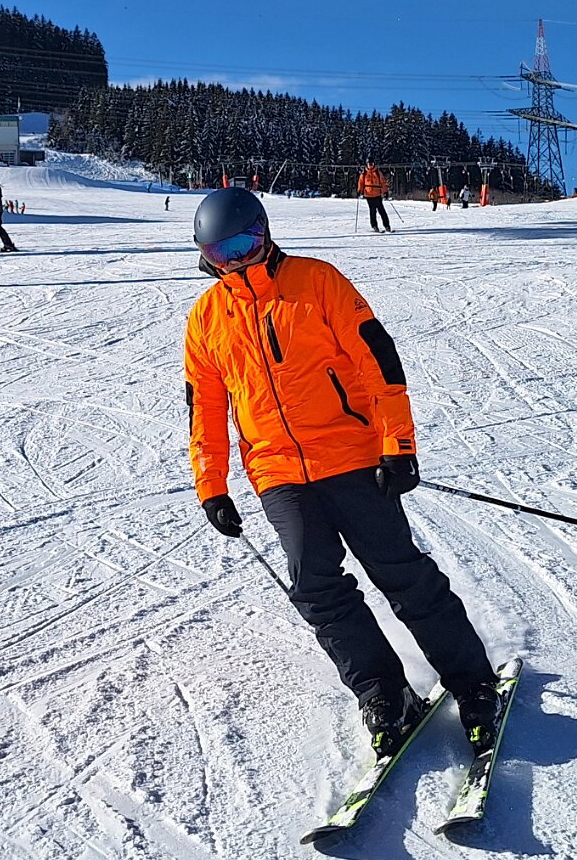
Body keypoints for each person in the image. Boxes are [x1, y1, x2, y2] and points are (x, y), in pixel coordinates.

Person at [182, 188, 503, 757]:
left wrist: (397, 443)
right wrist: (212, 485)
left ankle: (474, 684)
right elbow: (204, 407)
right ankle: (383, 692)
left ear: (264, 233)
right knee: (316, 586)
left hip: (352, 453)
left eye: (243, 246)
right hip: (277, 471)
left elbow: (377, 360)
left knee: (399, 572)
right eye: (219, 253)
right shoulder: (206, 318)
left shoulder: (318, 281)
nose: (234, 261)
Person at [357, 163, 391, 233]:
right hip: (368, 195)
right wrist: (359, 191)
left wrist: (385, 191)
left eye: (372, 164)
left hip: (377, 194)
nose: (371, 165)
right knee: (372, 211)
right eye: (369, 164)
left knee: (381, 210)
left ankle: (387, 226)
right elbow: (361, 182)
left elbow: (383, 182)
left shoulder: (378, 172)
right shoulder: (364, 173)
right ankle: (374, 226)